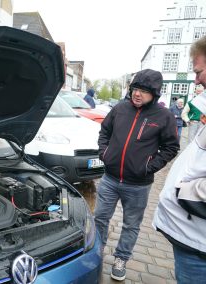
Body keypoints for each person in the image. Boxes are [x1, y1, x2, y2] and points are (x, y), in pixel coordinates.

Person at [95, 69, 180, 281]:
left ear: (155, 94)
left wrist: (148, 167)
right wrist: (104, 153)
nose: (137, 94)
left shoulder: (164, 116)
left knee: (131, 225)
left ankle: (121, 258)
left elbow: (171, 147)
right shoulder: (120, 109)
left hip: (138, 185)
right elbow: (104, 132)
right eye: (135, 88)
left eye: (143, 90)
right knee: (100, 218)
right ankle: (97, 252)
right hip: (110, 179)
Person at [153, 36, 206, 284]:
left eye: (199, 71)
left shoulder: (163, 115)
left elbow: (171, 146)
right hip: (191, 239)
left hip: (199, 247)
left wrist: (183, 191)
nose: (195, 80)